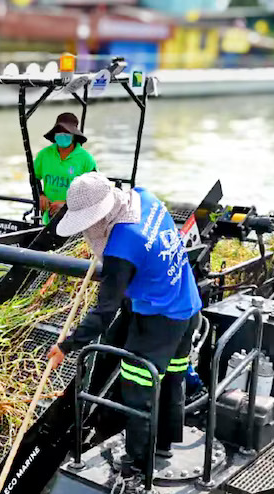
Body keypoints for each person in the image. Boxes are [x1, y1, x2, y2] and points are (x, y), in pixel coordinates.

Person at [46, 172, 203, 475]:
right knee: (173, 379)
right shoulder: (144, 197)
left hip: (158, 321)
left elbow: (105, 312)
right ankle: (165, 444)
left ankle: (138, 463)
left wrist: (66, 346)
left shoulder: (121, 247)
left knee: (137, 389)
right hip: (187, 303)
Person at [34, 113, 97, 226]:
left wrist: (66, 205)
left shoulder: (86, 159)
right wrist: (41, 195)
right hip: (48, 219)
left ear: (74, 134)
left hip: (76, 220)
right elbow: (34, 177)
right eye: (59, 131)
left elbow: (94, 191)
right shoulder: (43, 155)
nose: (62, 134)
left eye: (67, 131)